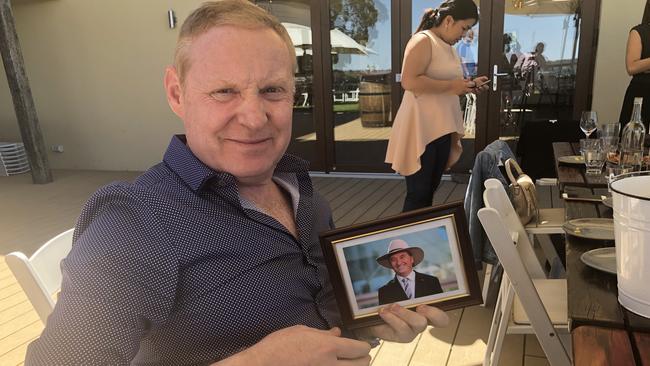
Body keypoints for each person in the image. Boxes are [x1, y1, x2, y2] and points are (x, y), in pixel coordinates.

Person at [24, 1, 449, 365]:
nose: (253, 116)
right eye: (224, 91)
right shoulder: (135, 223)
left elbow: (323, 311)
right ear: (176, 93)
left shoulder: (306, 196)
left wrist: (369, 322)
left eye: (272, 90)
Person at [385, 0, 489, 212]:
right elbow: (409, 81)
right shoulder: (423, 41)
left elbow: (448, 85)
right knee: (419, 194)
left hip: (441, 129)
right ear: (449, 20)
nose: (465, 33)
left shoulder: (449, 48)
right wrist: (454, 85)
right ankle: (407, 239)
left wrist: (468, 85)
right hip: (421, 129)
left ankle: (419, 235)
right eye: (465, 27)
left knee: (429, 190)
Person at [377, 239, 443, 305]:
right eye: (393, 259)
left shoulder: (432, 282)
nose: (399, 263)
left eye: (402, 257)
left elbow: (442, 307)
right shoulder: (384, 292)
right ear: (390, 264)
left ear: (411, 259)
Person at [619, 20, 650, 129]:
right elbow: (632, 67)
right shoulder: (639, 32)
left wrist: (645, 66)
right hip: (643, 94)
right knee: (633, 140)